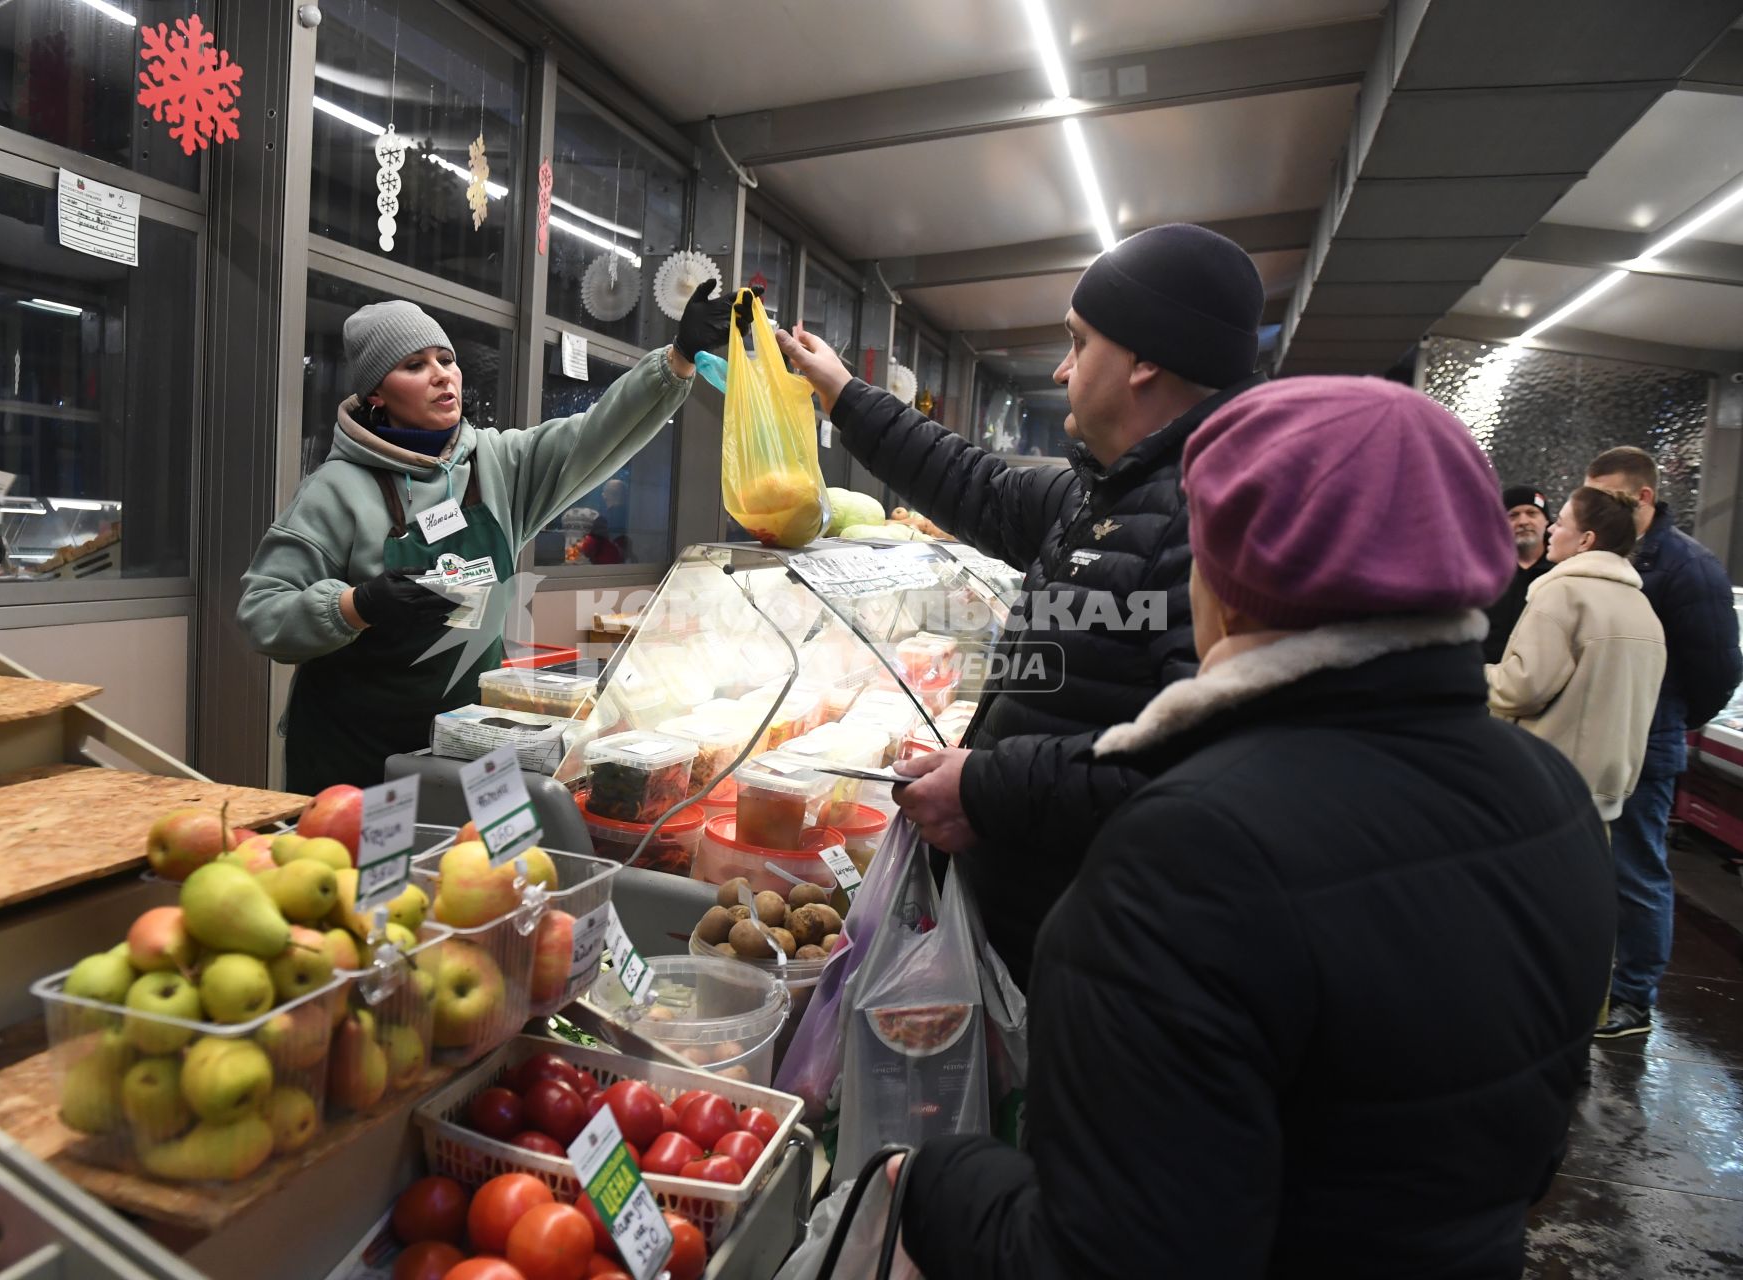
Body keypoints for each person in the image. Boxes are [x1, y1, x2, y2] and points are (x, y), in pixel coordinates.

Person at [896, 376, 1614, 1279]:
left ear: (1228, 586)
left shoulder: (1189, 854)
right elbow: (1536, 1134)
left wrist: (932, 1180)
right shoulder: (1551, 794)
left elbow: (1104, 1259)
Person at [776, 223, 1265, 988]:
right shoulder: (1100, 491)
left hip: (1094, 951)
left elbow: (1193, 772)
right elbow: (975, 485)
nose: (1064, 367)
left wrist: (986, 786)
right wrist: (841, 393)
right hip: (1029, 924)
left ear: (1145, 360)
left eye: (1079, 341)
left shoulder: (1207, 524)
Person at [238, 285, 737, 793]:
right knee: (369, 875)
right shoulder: (336, 490)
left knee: (494, 870)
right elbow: (262, 612)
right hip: (358, 758)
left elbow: (597, 433)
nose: (441, 375)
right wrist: (356, 604)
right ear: (376, 394)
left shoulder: (498, 464)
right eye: (414, 365)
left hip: (478, 746)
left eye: (446, 359)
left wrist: (676, 360)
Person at [1582, 446, 1741, 1039]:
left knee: (1637, 872)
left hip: (1645, 749)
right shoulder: (1609, 551)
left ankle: (1633, 998)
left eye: (1610, 498)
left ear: (1644, 497)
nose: (1596, 509)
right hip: (1597, 741)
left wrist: (1663, 721)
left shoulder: (1687, 568)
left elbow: (1716, 672)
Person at [1487, 486, 1665, 823]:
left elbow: (1522, 689)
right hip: (1606, 799)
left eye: (1562, 523)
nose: (1552, 528)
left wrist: (1470, 675)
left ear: (1585, 540)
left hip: (1547, 789)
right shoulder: (1643, 607)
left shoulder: (1564, 593)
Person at [1482, 483, 1554, 663]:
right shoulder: (1484, 572)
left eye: (1532, 513)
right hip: (1488, 680)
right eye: (1513, 515)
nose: (1523, 521)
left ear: (1546, 520)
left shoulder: (1563, 571)